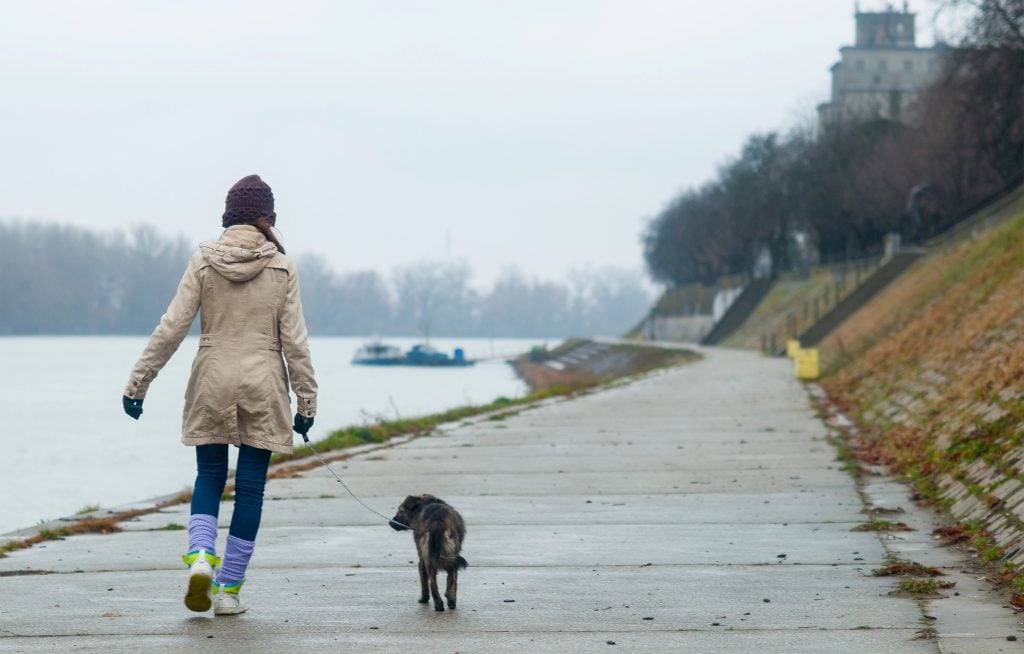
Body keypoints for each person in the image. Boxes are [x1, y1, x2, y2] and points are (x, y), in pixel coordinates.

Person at [122, 174, 318, 615]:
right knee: (249, 490)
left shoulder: (204, 261)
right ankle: (229, 591)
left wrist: (138, 383)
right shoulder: (283, 267)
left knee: (209, 476)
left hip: (211, 377)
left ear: (228, 216)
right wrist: (306, 402)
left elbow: (171, 327)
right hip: (264, 383)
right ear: (268, 218)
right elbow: (296, 343)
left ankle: (200, 559)